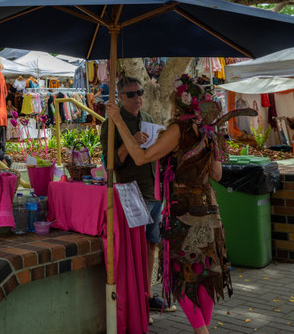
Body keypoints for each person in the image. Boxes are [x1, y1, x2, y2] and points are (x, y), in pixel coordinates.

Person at [107, 74, 252, 334]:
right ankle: (203, 329)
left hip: (183, 211)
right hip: (209, 208)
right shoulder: (209, 131)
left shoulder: (179, 129)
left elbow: (141, 158)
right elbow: (217, 174)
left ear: (180, 102)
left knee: (184, 275)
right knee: (205, 273)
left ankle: (202, 331)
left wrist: (118, 121)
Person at [100, 76, 172, 314]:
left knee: (151, 245)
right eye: (131, 94)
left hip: (153, 191)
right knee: (135, 248)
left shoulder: (149, 119)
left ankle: (147, 294)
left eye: (139, 92)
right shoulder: (111, 123)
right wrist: (130, 143)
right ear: (120, 97)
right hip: (131, 191)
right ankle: (135, 298)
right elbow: (109, 162)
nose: (137, 98)